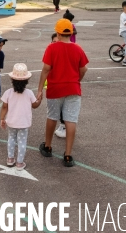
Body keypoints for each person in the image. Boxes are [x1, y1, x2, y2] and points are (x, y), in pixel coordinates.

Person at [38, 18, 89, 167]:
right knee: (71, 120)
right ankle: (68, 155)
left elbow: (46, 69)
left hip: (55, 88)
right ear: (71, 33)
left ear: (58, 34)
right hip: (73, 88)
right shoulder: (77, 48)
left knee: (52, 117)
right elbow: (84, 69)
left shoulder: (52, 48)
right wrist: (77, 80)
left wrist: (40, 88)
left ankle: (47, 146)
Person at [0, 63, 43, 170]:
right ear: (26, 81)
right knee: (22, 142)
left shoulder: (8, 93)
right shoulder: (29, 93)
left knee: (11, 139)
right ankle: (19, 163)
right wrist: (40, 100)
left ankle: (10, 159)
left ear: (12, 80)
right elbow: (35, 105)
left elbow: (4, 107)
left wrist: (2, 118)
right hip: (23, 123)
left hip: (11, 122)